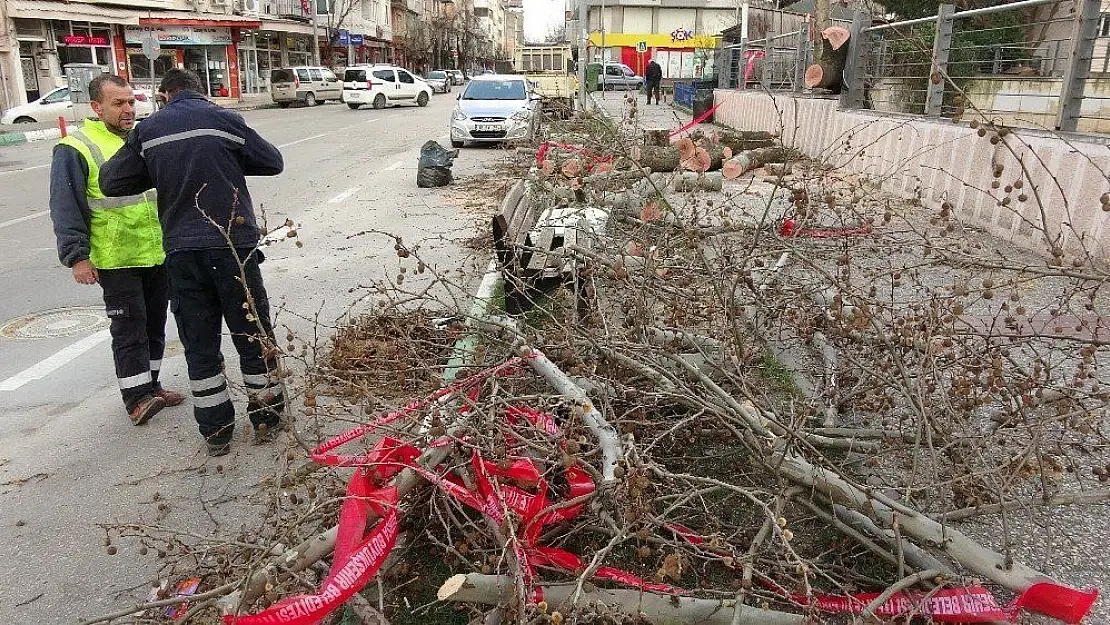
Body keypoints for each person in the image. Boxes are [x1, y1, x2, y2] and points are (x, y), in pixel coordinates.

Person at [99, 68, 286, 457]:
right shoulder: (225, 120)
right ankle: (267, 418)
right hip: (233, 247)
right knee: (252, 334)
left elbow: (111, 181)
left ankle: (217, 432)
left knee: (199, 343)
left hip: (183, 254)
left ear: (165, 96)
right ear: (201, 93)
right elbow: (272, 162)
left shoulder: (149, 130)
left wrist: (160, 169)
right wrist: (225, 161)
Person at [49, 74, 185, 426]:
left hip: (155, 251)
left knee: (155, 324)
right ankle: (136, 398)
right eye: (118, 103)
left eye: (130, 101)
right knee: (129, 329)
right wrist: (77, 256)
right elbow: (66, 205)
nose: (128, 109)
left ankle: (152, 386)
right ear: (96, 107)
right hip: (115, 256)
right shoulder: (76, 147)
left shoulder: (141, 138)